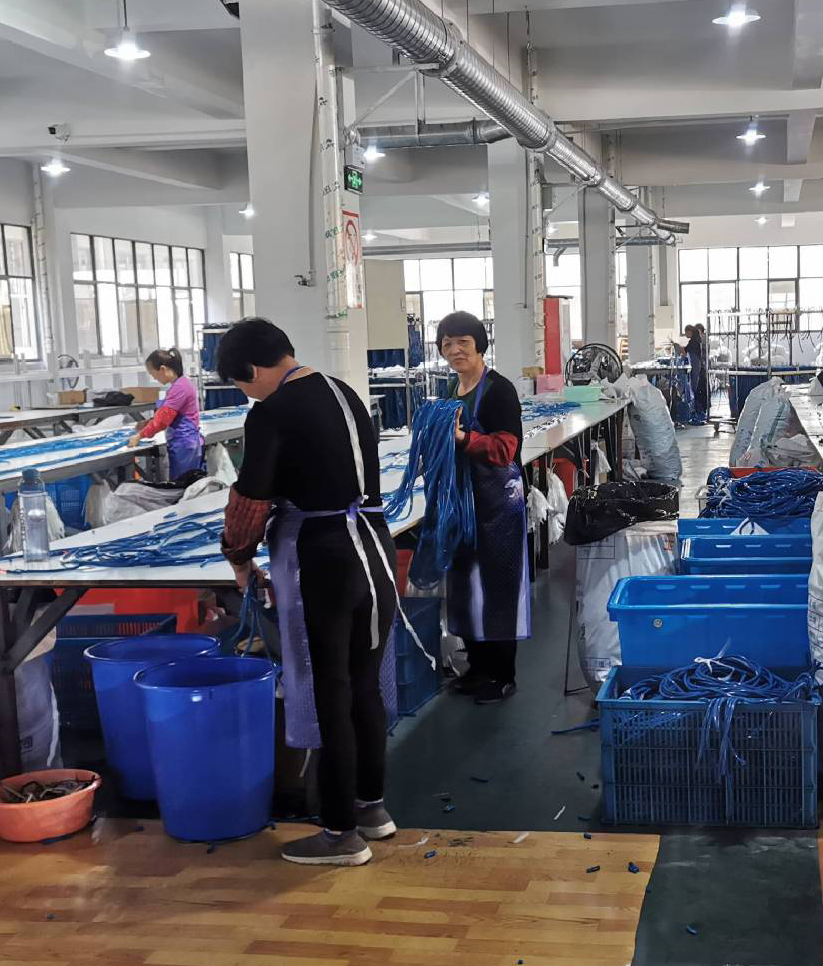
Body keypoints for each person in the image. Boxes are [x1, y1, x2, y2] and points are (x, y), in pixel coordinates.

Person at [215, 319, 399, 866]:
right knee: (365, 684)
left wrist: (239, 558)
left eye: (242, 384)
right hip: (375, 548)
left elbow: (251, 497)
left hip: (326, 557)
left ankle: (340, 834)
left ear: (251, 370)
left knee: (330, 692)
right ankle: (372, 808)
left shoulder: (271, 412)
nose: (247, 395)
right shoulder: (344, 391)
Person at [436, 311, 530, 704]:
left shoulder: (498, 390)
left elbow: (506, 449)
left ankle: (502, 675)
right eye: (447, 343)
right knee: (464, 586)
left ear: (479, 345)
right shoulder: (451, 389)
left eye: (463, 342)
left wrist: (462, 439)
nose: (455, 350)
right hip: (464, 501)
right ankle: (477, 667)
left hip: (498, 503)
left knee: (498, 587)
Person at [128, 347, 202, 479]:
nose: (154, 378)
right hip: (186, 442)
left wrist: (139, 436)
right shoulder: (182, 383)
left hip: (183, 444)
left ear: (162, 369)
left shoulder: (179, 388)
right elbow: (169, 415)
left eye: (153, 374)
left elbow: (162, 421)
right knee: (187, 481)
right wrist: (148, 423)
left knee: (182, 483)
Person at [684, 324, 710, 425]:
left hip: (697, 369)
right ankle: (699, 409)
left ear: (689, 331)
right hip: (698, 368)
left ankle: (698, 411)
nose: (685, 334)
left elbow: (685, 351)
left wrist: (677, 347)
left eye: (686, 332)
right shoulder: (696, 340)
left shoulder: (694, 342)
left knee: (696, 389)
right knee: (698, 389)